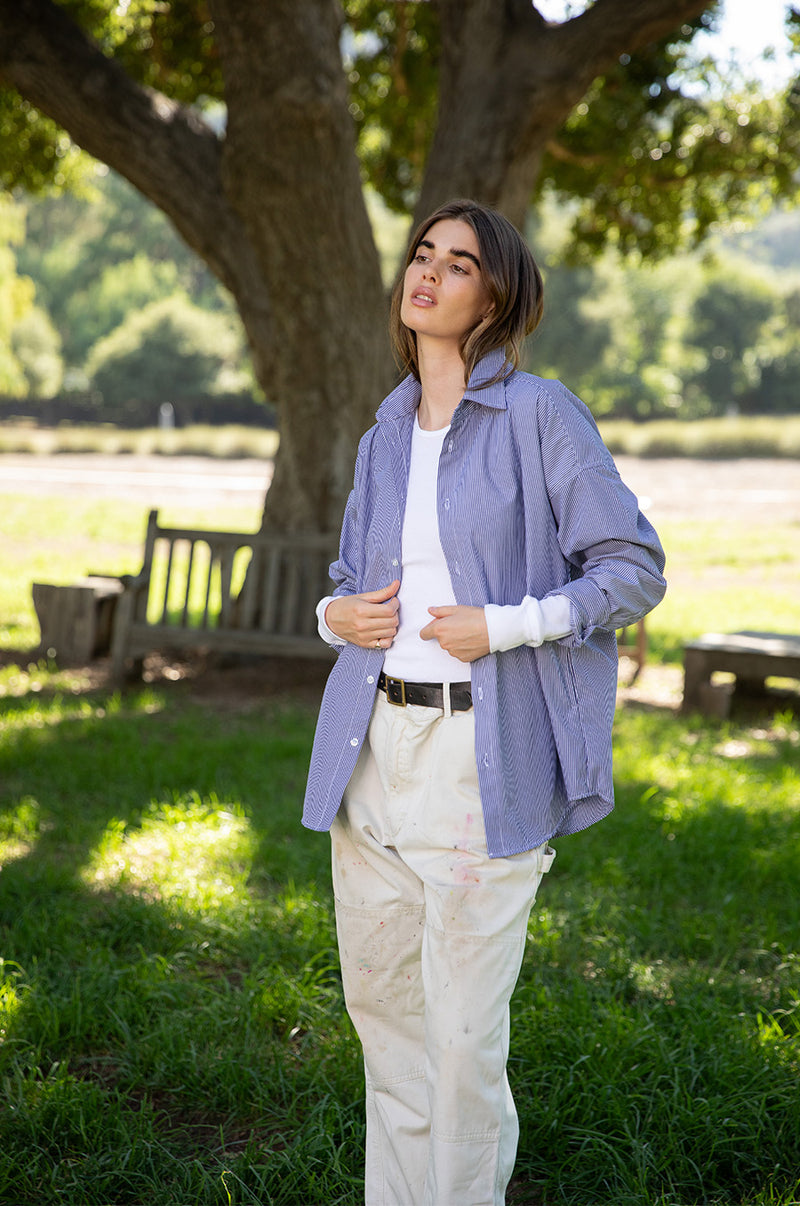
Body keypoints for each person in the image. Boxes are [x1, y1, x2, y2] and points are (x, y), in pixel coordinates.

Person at [302, 198, 666, 1206]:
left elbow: (631, 569)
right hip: (373, 751)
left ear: (494, 296)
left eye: (456, 264)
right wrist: (338, 616)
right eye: (421, 254)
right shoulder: (383, 428)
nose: (426, 273)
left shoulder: (540, 414)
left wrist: (506, 625)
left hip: (480, 759)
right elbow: (350, 580)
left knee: (460, 1041)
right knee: (386, 1018)